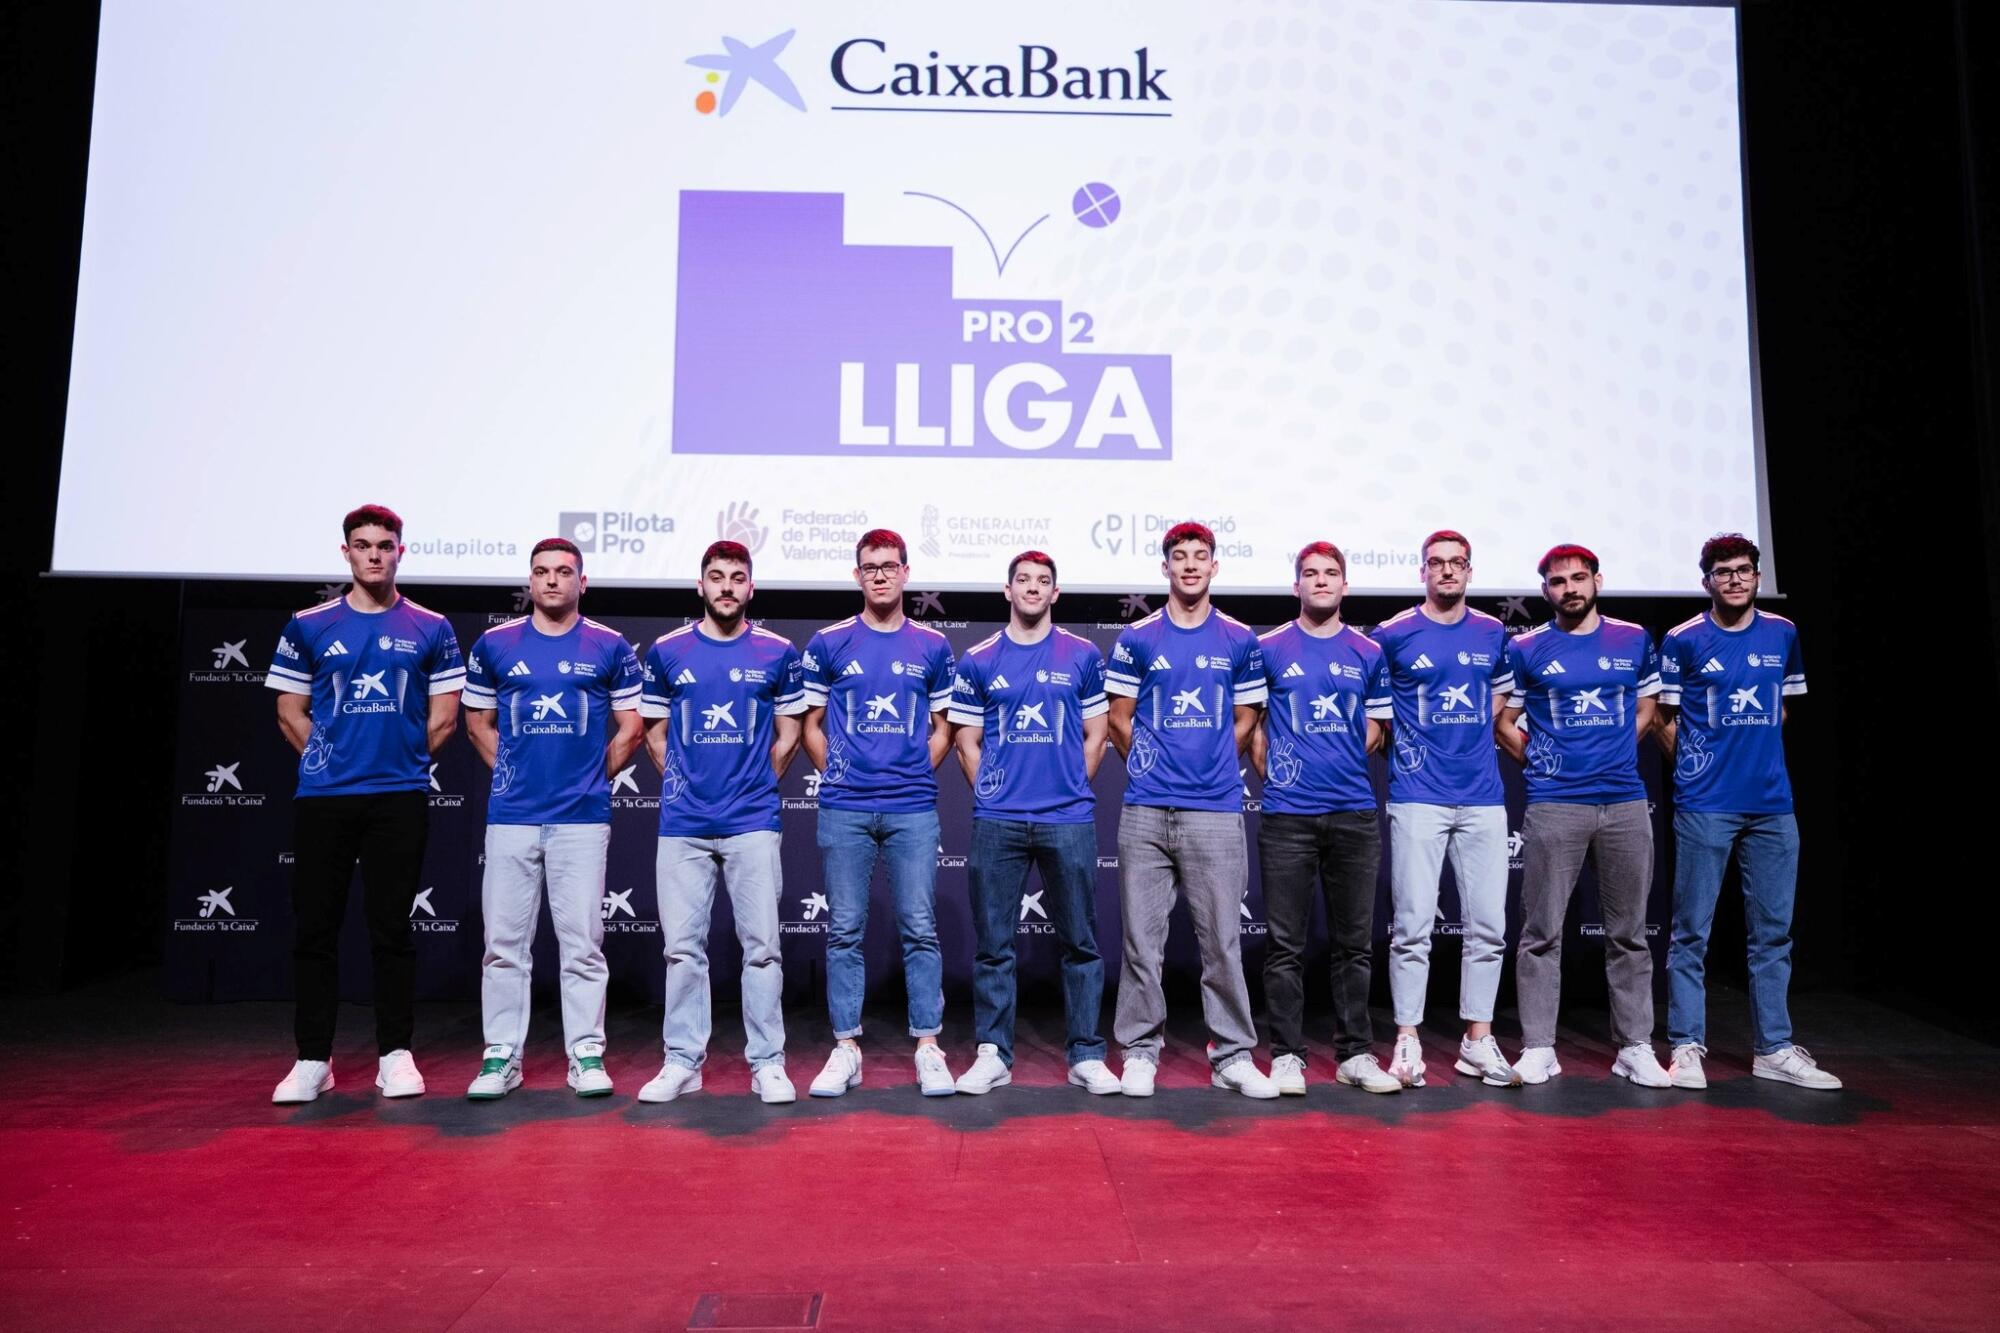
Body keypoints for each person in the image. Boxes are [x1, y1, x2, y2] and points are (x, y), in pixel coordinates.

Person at [266, 504, 464, 1103]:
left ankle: (395, 1055)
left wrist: (397, 764)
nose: (374, 554)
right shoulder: (308, 625)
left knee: (392, 931)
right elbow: (289, 712)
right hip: (324, 799)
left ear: (400, 551)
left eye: (384, 545)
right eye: (362, 544)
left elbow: (444, 718)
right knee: (315, 931)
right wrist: (331, 761)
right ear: (346, 551)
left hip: (399, 798)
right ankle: (312, 1059)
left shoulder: (432, 627)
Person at [460, 538, 643, 1100]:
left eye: (564, 572)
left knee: (582, 943)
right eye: (542, 572)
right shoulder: (495, 644)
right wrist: (512, 774)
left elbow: (632, 727)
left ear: (581, 582)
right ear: (530, 581)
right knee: (503, 944)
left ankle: (585, 1053)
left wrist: (589, 777)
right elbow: (477, 723)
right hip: (512, 816)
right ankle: (501, 1056)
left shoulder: (610, 646)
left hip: (582, 819)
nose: (552, 580)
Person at [1105, 521, 1279, 1099]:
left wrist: (1211, 763)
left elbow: (1247, 717)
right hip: (1146, 810)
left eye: (1199, 556)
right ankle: (1139, 1051)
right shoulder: (1137, 637)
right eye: (1179, 557)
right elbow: (1119, 717)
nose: (1189, 565)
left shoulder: (1239, 639)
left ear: (1214, 566)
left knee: (1222, 942)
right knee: (1141, 942)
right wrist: (1152, 766)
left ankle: (1232, 1055)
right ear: (1166, 568)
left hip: (1216, 809)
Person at [1658, 533, 1838, 1089]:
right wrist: (1696, 768)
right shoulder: (1683, 639)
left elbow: (1780, 708)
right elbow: (1663, 720)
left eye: (1743, 570)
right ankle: (1686, 1046)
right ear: (1706, 580)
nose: (1734, 579)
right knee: (1691, 932)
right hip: (1705, 805)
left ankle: (1773, 1049)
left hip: (1772, 806)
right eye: (1723, 572)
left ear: (1758, 576)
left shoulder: (1783, 633)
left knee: (1773, 935)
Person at [635, 540, 807, 1104]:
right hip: (683, 824)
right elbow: (654, 733)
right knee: (683, 950)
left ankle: (768, 1063)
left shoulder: (778, 652)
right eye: (717, 576)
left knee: (762, 949)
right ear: (700, 585)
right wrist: (683, 782)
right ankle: (682, 1062)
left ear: (750, 587)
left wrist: (756, 782)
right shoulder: (667, 651)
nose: (727, 587)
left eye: (737, 577)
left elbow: (789, 733)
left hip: (753, 821)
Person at [948, 551, 1120, 1096]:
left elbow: (1098, 734)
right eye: (1023, 580)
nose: (1032, 588)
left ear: (1054, 593)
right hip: (998, 822)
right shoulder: (978, 659)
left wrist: (1070, 787)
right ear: (1008, 590)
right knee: (994, 947)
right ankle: (993, 1054)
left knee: (1081, 943)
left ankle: (1086, 1054)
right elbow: (966, 742)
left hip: (1067, 819)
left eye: (1043, 581)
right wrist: (994, 793)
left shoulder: (1082, 654)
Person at [1498, 544, 1670, 1087]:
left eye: (1578, 578)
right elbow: (1504, 722)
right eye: (1558, 581)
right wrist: (1543, 763)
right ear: (1545, 590)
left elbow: (1648, 708)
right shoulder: (1525, 648)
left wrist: (1617, 749)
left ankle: (1635, 1047)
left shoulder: (1633, 639)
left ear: (1598, 580)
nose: (1569, 588)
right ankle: (1539, 1048)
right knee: (1540, 933)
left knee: (1629, 934)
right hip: (1554, 804)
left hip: (1624, 802)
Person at [800, 530, 959, 1097]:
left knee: (919, 928)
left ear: (906, 573)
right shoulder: (828, 642)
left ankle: (928, 1046)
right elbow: (810, 725)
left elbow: (945, 728)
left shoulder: (933, 646)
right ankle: (846, 1047)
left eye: (890, 566)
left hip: (912, 808)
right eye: (870, 567)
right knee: (844, 931)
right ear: (857, 575)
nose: (881, 575)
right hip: (845, 807)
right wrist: (840, 771)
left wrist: (915, 769)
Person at [1251, 541, 1402, 1096]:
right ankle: (1287, 1056)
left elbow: (1377, 727)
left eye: (1330, 573)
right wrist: (1281, 774)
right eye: (1310, 573)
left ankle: (1355, 1054)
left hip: (1354, 814)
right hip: (1287, 816)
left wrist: (1338, 761)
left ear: (1344, 584)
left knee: (1354, 946)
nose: (1320, 581)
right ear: (1296, 586)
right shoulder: (1267, 648)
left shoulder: (1368, 651)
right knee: (1285, 946)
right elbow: (1254, 725)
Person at [1372, 529, 1521, 1088]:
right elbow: (1376, 708)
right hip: (1417, 796)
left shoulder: (1492, 631)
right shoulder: (1392, 634)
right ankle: (1407, 1039)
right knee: (1412, 927)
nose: (1447, 571)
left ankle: (1477, 1041)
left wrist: (1475, 724)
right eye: (1437, 563)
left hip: (1483, 797)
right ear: (1423, 572)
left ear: (1469, 571)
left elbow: (1501, 694)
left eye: (1457, 563)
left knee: (1489, 927)